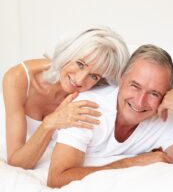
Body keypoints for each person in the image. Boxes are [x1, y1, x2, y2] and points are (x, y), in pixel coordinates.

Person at [47, 44, 173, 188]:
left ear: (166, 95)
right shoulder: (87, 108)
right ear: (121, 80)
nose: (140, 102)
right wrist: (133, 163)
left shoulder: (164, 116)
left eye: (154, 93)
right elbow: (57, 178)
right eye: (135, 86)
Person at [2, 26, 130, 169]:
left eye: (94, 76)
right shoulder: (17, 78)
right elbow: (17, 163)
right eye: (80, 64)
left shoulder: (96, 89)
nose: (80, 80)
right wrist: (49, 123)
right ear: (68, 53)